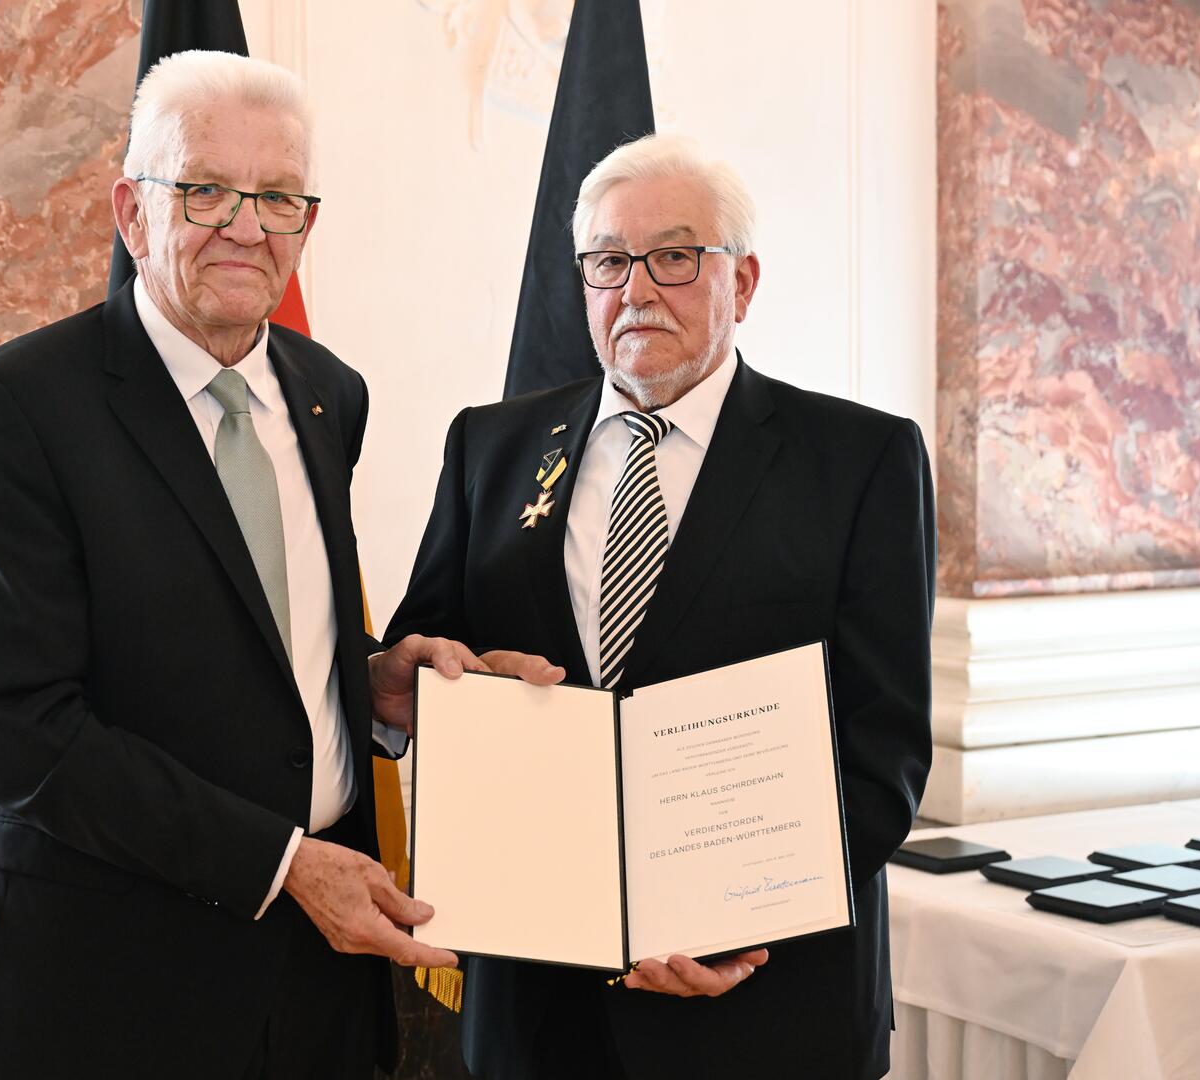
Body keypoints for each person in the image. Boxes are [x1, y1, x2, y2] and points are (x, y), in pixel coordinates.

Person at [0, 50, 480, 1079]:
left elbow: (250, 633)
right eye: (205, 189)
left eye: (276, 196)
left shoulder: (328, 393)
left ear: (305, 224)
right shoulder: (19, 408)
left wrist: (368, 688)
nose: (245, 224)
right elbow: (22, 732)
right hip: (104, 998)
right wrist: (283, 866)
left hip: (315, 991)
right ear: (131, 212)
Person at [386, 133, 936, 1079]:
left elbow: (882, 753)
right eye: (608, 261)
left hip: (764, 1007)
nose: (637, 289)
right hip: (536, 1017)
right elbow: (424, 652)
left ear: (743, 281)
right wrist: (413, 675)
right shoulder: (490, 447)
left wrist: (734, 919)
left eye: (675, 257)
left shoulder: (859, 461)